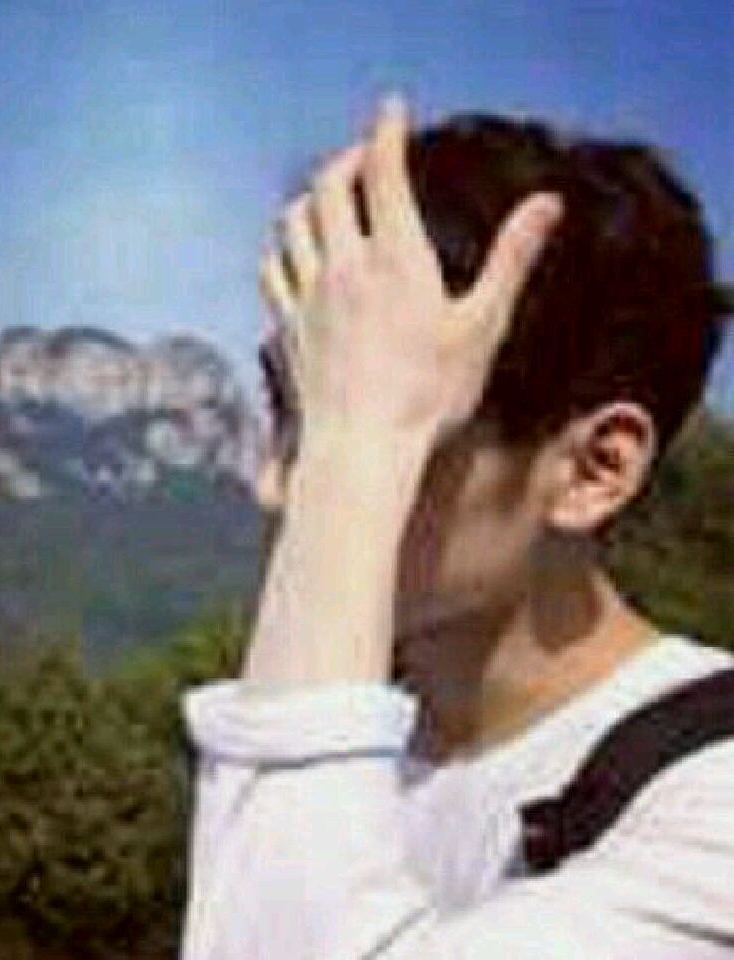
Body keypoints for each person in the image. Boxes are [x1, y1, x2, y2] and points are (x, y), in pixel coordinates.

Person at [178, 92, 734, 958]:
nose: (280, 486)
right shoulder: (361, 756)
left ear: (595, 469)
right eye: (291, 408)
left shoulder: (710, 804)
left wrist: (357, 449)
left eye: (395, 411)